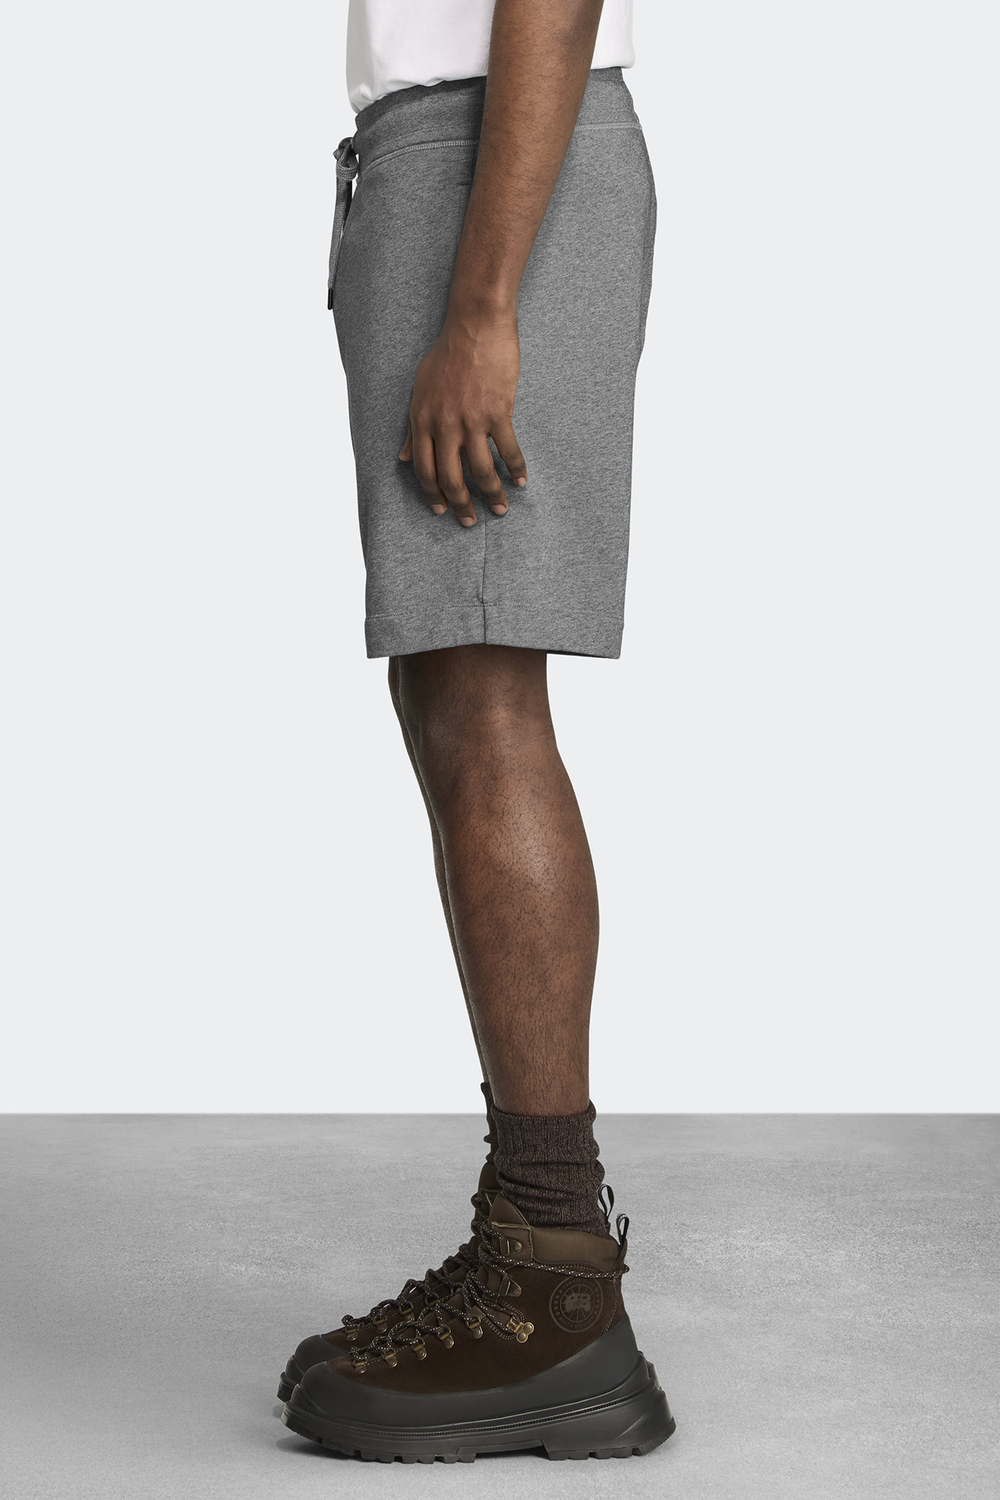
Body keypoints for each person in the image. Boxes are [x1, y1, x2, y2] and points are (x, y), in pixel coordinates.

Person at [278, 0, 674, 1462]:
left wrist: (484, 303)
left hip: (493, 169)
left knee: (487, 697)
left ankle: (554, 1287)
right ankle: (534, 1249)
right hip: (447, 162)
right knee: (453, 692)